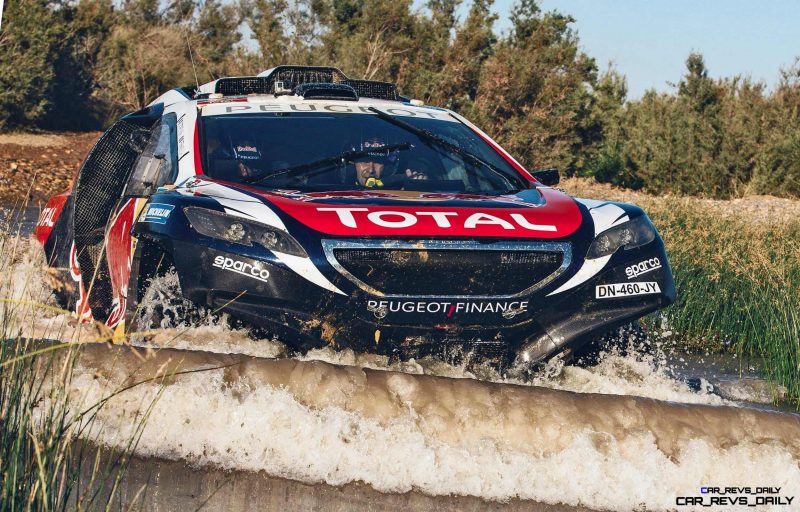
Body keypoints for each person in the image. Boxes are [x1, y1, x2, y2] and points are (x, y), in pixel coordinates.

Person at [352, 137, 428, 188]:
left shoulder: (402, 190)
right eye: (365, 161)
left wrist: (419, 187)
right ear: (353, 165)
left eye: (378, 161)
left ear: (388, 167)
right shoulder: (340, 192)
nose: (371, 170)